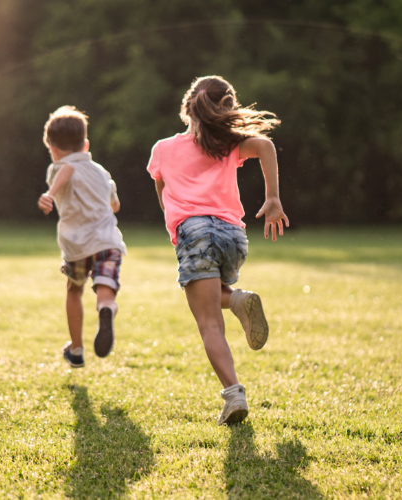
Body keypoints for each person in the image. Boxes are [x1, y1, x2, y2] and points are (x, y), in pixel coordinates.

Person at [147, 76, 289, 425]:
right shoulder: (228, 143)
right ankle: (237, 300)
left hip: (194, 232)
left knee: (208, 322)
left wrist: (177, 226)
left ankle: (233, 394)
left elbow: (162, 195)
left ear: (187, 108)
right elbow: (266, 147)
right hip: (233, 235)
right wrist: (272, 198)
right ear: (227, 108)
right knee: (213, 299)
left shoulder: (163, 148)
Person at [36, 106, 127, 368]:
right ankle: (106, 308)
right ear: (86, 144)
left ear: (52, 147)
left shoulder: (58, 168)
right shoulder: (101, 172)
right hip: (108, 241)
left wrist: (51, 194)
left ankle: (76, 350)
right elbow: (115, 205)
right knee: (105, 286)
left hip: (77, 247)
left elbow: (67, 170)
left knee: (74, 290)